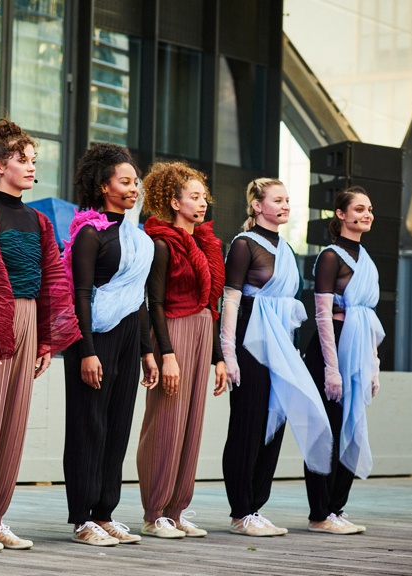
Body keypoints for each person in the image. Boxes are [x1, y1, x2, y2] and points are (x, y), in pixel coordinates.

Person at [0, 119, 80, 552]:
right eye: (22, 160)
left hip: (27, 320)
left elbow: (52, 280)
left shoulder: (40, 221)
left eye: (33, 161)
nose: (30, 167)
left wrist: (45, 338)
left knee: (13, 423)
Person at [220, 178, 332, 537]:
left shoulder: (286, 249)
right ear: (256, 206)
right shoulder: (243, 245)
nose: (286, 205)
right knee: (248, 424)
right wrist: (228, 353)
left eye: (288, 200)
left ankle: (256, 506)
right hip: (250, 342)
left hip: (282, 344)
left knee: (276, 422)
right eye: (278, 200)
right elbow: (231, 301)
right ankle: (240, 511)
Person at [62, 143, 158, 546]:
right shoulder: (89, 233)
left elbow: (138, 299)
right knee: (89, 425)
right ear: (104, 186)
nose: (134, 188)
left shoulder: (136, 238)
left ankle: (105, 513)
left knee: (118, 425)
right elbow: (79, 293)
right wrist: (85, 351)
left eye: (136, 182)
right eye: (125, 181)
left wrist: (148, 351)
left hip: (128, 336)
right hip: (93, 335)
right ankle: (83, 518)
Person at [136, 162, 227, 539]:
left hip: (203, 330)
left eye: (203, 196)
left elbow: (211, 302)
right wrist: (166, 354)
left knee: (191, 424)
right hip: (172, 331)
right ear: (174, 202)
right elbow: (153, 302)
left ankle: (176, 509)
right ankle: (153, 511)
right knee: (165, 422)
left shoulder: (206, 243)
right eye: (193, 197)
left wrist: (219, 357)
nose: (202, 203)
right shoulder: (160, 242)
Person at [304, 186, 383, 535]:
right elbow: (322, 315)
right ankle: (319, 513)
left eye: (369, 209)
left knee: (351, 427)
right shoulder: (330, 257)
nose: (366, 214)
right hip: (331, 345)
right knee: (328, 428)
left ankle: (337, 508)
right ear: (340, 214)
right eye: (359, 209)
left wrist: (374, 366)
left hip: (358, 347)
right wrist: (331, 368)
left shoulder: (367, 258)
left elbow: (368, 317)